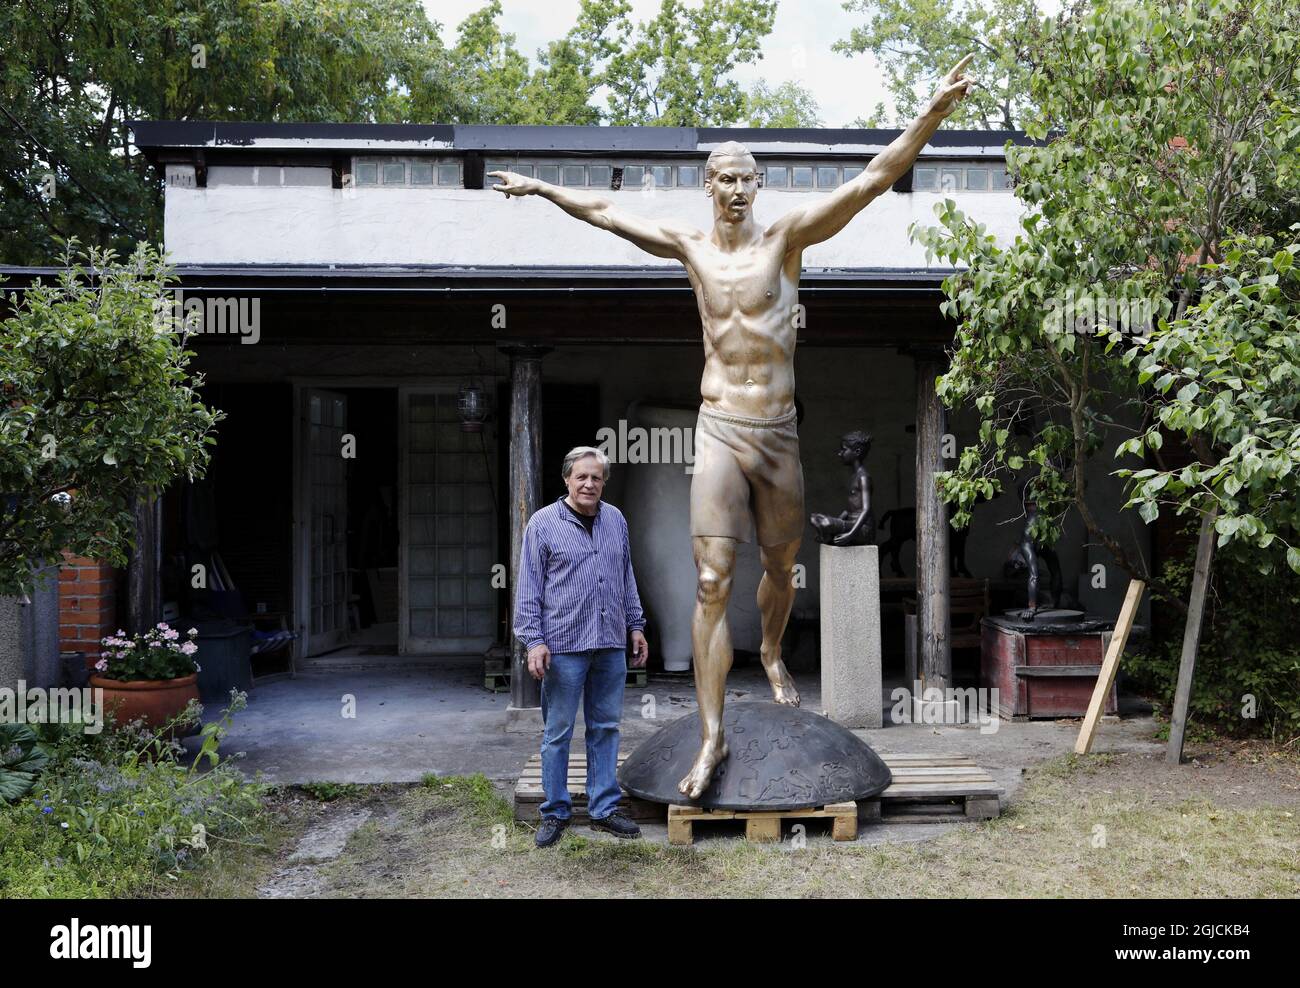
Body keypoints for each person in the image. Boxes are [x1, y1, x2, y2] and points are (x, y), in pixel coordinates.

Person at [490, 55, 977, 798]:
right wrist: (540, 187)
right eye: (726, 176)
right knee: (713, 581)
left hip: (777, 431)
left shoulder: (786, 240)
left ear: (759, 185)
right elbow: (607, 214)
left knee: (781, 569)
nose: (738, 187)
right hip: (718, 427)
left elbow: (872, 180)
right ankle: (713, 733)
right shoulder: (689, 250)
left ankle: (774, 652)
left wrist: (932, 115)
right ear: (708, 185)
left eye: (749, 176)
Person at [514, 446, 649, 847]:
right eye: (581, 477)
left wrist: (636, 625)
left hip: (609, 644)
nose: (589, 483)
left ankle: (604, 808)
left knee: (606, 727)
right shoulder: (542, 524)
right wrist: (533, 640)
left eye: (596, 477)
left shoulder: (616, 520)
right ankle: (555, 812)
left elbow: (626, 575)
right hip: (563, 646)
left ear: (603, 481)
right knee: (558, 731)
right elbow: (529, 588)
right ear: (567, 479)